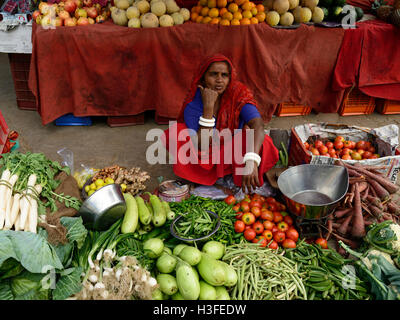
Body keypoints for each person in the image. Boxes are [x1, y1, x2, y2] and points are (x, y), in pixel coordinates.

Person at [163, 54, 279, 192]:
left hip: (233, 150)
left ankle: (239, 173)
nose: (219, 80)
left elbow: (258, 124)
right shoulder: (194, 102)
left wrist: (251, 160)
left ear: (230, 78)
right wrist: (208, 109)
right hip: (206, 152)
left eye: (224, 75)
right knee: (175, 133)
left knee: (262, 141)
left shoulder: (238, 94)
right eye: (213, 74)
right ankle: (201, 176)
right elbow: (201, 145)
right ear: (203, 78)